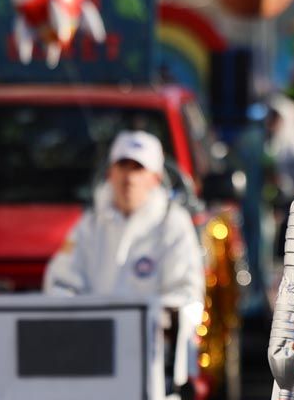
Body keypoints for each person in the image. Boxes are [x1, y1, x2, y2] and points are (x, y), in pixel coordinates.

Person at [43, 130, 204, 309]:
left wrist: (151, 320)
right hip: (96, 334)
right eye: (123, 165)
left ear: (156, 178)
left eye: (138, 168)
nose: (129, 178)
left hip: (151, 334)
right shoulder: (91, 223)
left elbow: (185, 293)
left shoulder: (173, 223)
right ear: (110, 172)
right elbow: (61, 281)